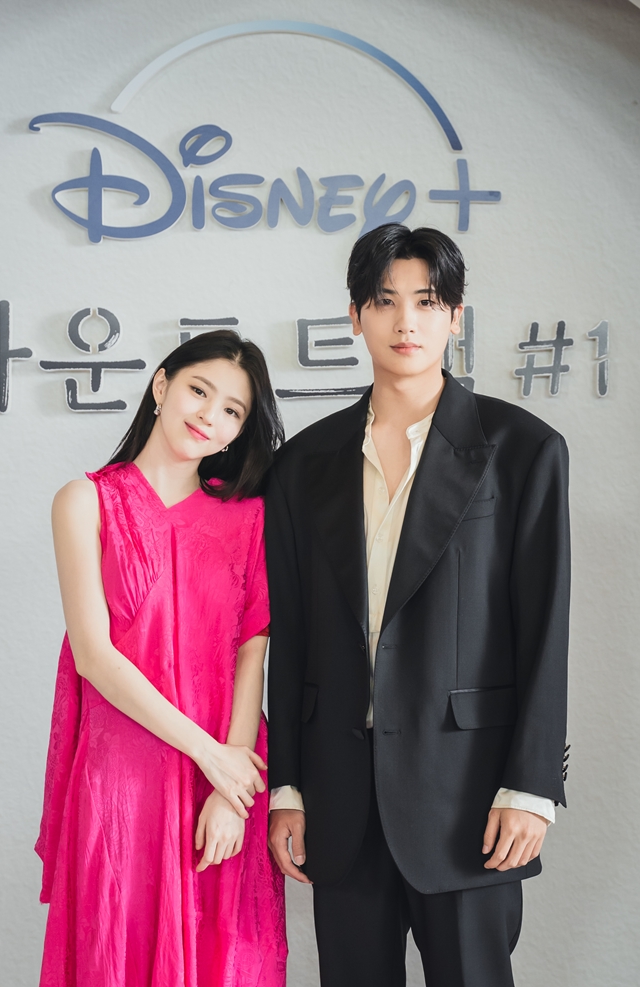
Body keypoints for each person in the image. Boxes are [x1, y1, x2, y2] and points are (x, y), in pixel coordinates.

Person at [266, 225, 570, 987]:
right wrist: (287, 786)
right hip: (340, 797)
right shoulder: (303, 463)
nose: (406, 321)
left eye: (427, 301)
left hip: (468, 796)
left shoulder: (523, 449)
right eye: (385, 301)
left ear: (456, 315)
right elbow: (292, 633)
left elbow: (544, 627)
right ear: (355, 316)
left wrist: (531, 785)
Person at [36, 330, 287, 987]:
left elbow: (252, 652)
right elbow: (94, 655)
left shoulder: (250, 518)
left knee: (225, 958)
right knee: (114, 950)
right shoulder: (84, 501)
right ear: (161, 384)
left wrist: (233, 786)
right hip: (122, 775)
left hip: (225, 778)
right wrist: (210, 754)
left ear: (239, 432)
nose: (208, 415)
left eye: (231, 410)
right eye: (199, 390)